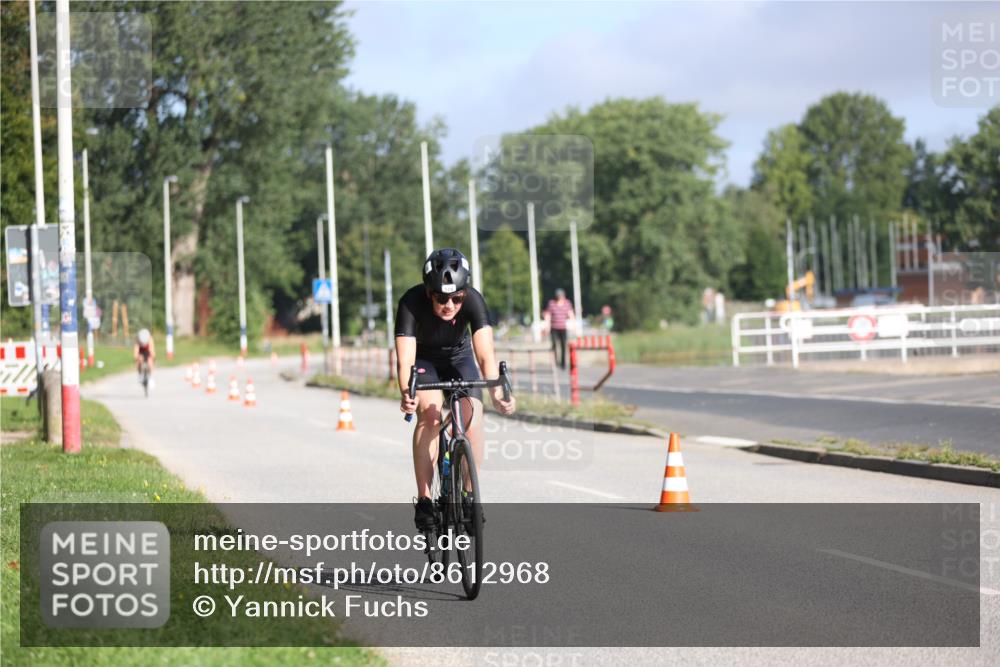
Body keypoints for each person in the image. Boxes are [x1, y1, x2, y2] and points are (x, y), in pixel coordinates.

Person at [395, 248, 516, 531]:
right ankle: (425, 501)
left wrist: (497, 393)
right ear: (428, 292)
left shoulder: (474, 300)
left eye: (456, 298)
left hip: (459, 358)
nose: (450, 305)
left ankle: (469, 496)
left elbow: (485, 356)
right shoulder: (411, 303)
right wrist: (407, 392)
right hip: (424, 361)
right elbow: (405, 360)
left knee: (474, 414)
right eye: (441, 298)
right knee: (430, 414)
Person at [543, 288, 575, 369]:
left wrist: (573, 325)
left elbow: (570, 314)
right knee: (554, 345)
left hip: (563, 328)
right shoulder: (552, 303)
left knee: (563, 345)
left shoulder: (567, 303)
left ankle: (563, 363)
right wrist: (547, 327)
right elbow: (548, 315)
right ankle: (555, 361)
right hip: (554, 328)